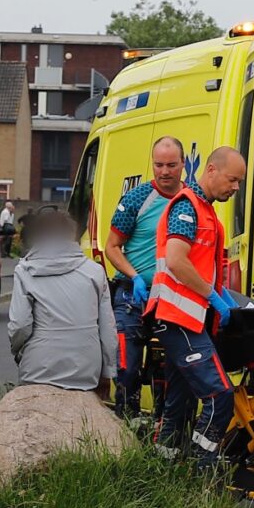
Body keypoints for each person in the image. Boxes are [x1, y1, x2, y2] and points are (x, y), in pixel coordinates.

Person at [149, 145, 247, 466]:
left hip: (188, 319)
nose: (235, 187)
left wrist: (228, 299)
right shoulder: (187, 208)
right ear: (211, 170)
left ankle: (165, 467)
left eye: (239, 182)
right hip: (179, 319)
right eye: (233, 179)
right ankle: (202, 469)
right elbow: (177, 261)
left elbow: (205, 266)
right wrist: (213, 297)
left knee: (179, 402)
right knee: (220, 396)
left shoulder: (206, 212)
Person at [100, 137, 187, 422]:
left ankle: (166, 433)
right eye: (159, 165)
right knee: (126, 367)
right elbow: (111, 247)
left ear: (183, 165)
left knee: (173, 367)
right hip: (132, 296)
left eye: (171, 165)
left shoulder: (191, 201)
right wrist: (135, 276)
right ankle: (126, 427)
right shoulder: (137, 199)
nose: (164, 172)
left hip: (172, 296)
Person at [6, 207, 116, 394]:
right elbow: (107, 328)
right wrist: (107, 372)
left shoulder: (25, 271)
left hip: (38, 365)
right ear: (71, 235)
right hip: (86, 366)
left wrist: (19, 353)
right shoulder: (94, 272)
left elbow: (20, 324)